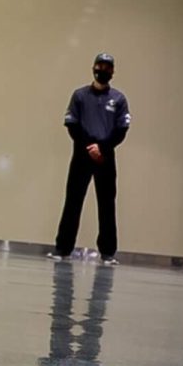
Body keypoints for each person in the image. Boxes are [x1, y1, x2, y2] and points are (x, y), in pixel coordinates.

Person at [51, 53, 132, 264]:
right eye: (99, 65)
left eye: (107, 67)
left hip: (105, 157)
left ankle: (107, 252)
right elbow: (72, 125)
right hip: (81, 155)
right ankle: (62, 248)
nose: (102, 70)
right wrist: (89, 146)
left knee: (106, 204)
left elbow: (121, 130)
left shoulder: (119, 99)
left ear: (112, 71)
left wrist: (102, 148)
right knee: (73, 201)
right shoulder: (79, 96)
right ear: (93, 67)